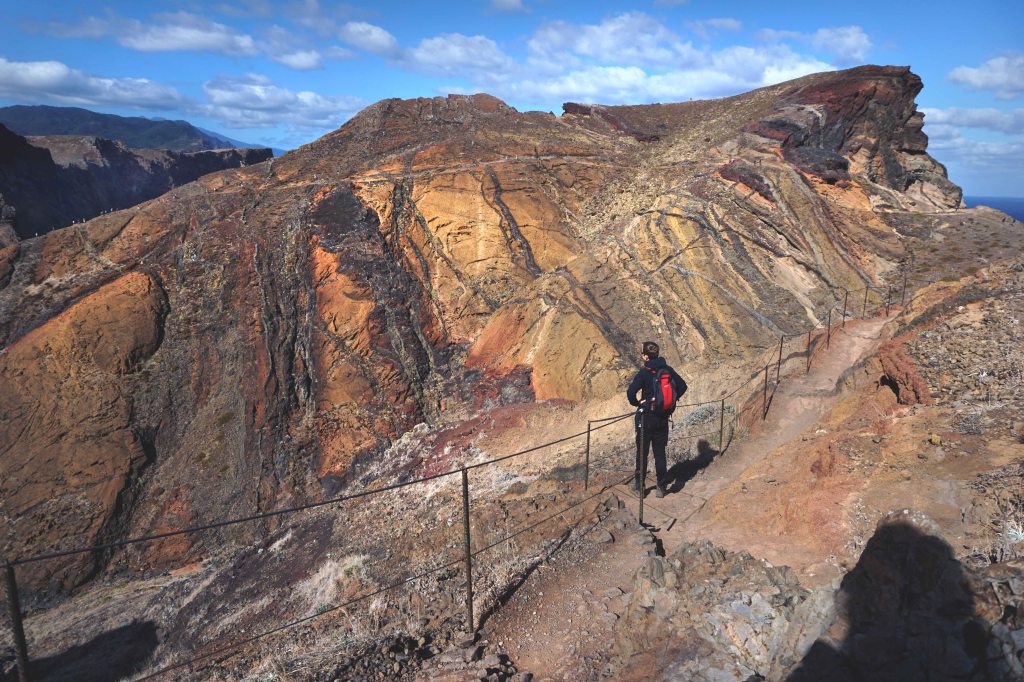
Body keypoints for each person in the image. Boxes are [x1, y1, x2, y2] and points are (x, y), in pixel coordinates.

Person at [626, 341, 687, 498]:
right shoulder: (667, 370)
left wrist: (638, 403)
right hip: (662, 417)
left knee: (642, 453)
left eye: (642, 353)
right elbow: (683, 386)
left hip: (646, 418)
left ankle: (639, 488)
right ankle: (661, 486)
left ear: (646, 356)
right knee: (660, 453)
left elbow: (630, 393)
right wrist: (670, 401)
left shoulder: (644, 372)